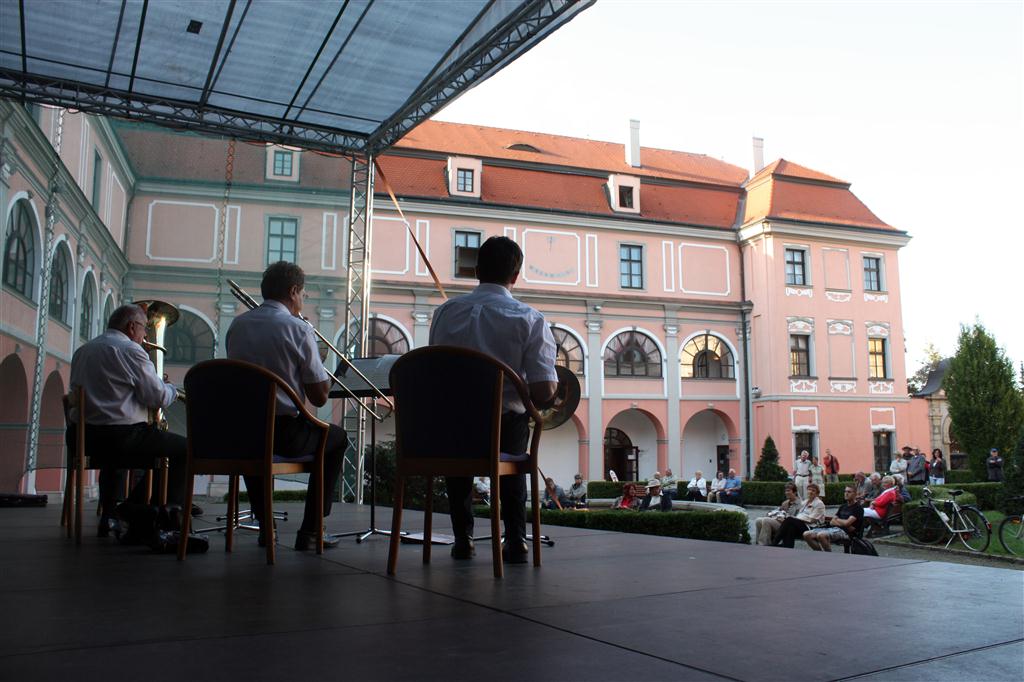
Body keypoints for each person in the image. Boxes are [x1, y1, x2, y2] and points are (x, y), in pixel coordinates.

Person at [429, 236, 558, 563]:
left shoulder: (444, 313)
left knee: (458, 440)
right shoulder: (530, 318)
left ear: (476, 271)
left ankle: (463, 539)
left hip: (450, 431)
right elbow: (543, 394)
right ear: (515, 275)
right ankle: (515, 541)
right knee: (515, 431)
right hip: (502, 427)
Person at [226, 261, 346, 551]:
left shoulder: (237, 326)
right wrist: (322, 365)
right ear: (293, 291)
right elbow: (319, 397)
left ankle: (266, 528)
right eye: (303, 294)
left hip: (242, 433)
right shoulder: (298, 328)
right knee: (337, 438)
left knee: (255, 443)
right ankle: (312, 530)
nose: (303, 299)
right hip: (286, 434)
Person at [68, 304, 188, 536]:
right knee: (185, 449)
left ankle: (111, 514)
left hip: (82, 439)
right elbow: (158, 397)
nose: (145, 335)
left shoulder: (83, 350)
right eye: (144, 328)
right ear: (132, 327)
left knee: (114, 457)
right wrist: (171, 389)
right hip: (121, 438)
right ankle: (152, 513)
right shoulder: (131, 350)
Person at [803, 485, 864, 552]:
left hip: (846, 533)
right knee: (806, 534)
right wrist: (842, 522)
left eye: (849, 492)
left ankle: (829, 555)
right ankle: (820, 554)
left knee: (821, 535)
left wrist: (837, 520)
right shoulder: (843, 506)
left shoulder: (858, 508)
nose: (846, 494)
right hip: (834, 529)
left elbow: (847, 523)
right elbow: (832, 522)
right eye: (845, 491)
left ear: (855, 494)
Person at [771, 483, 826, 548]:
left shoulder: (819, 504)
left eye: (813, 490)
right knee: (791, 526)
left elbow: (812, 520)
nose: (810, 492)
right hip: (802, 524)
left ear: (817, 494)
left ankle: (774, 544)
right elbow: (800, 514)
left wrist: (796, 518)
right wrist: (795, 518)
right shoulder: (805, 502)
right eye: (809, 489)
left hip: (811, 527)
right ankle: (787, 546)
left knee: (789, 520)